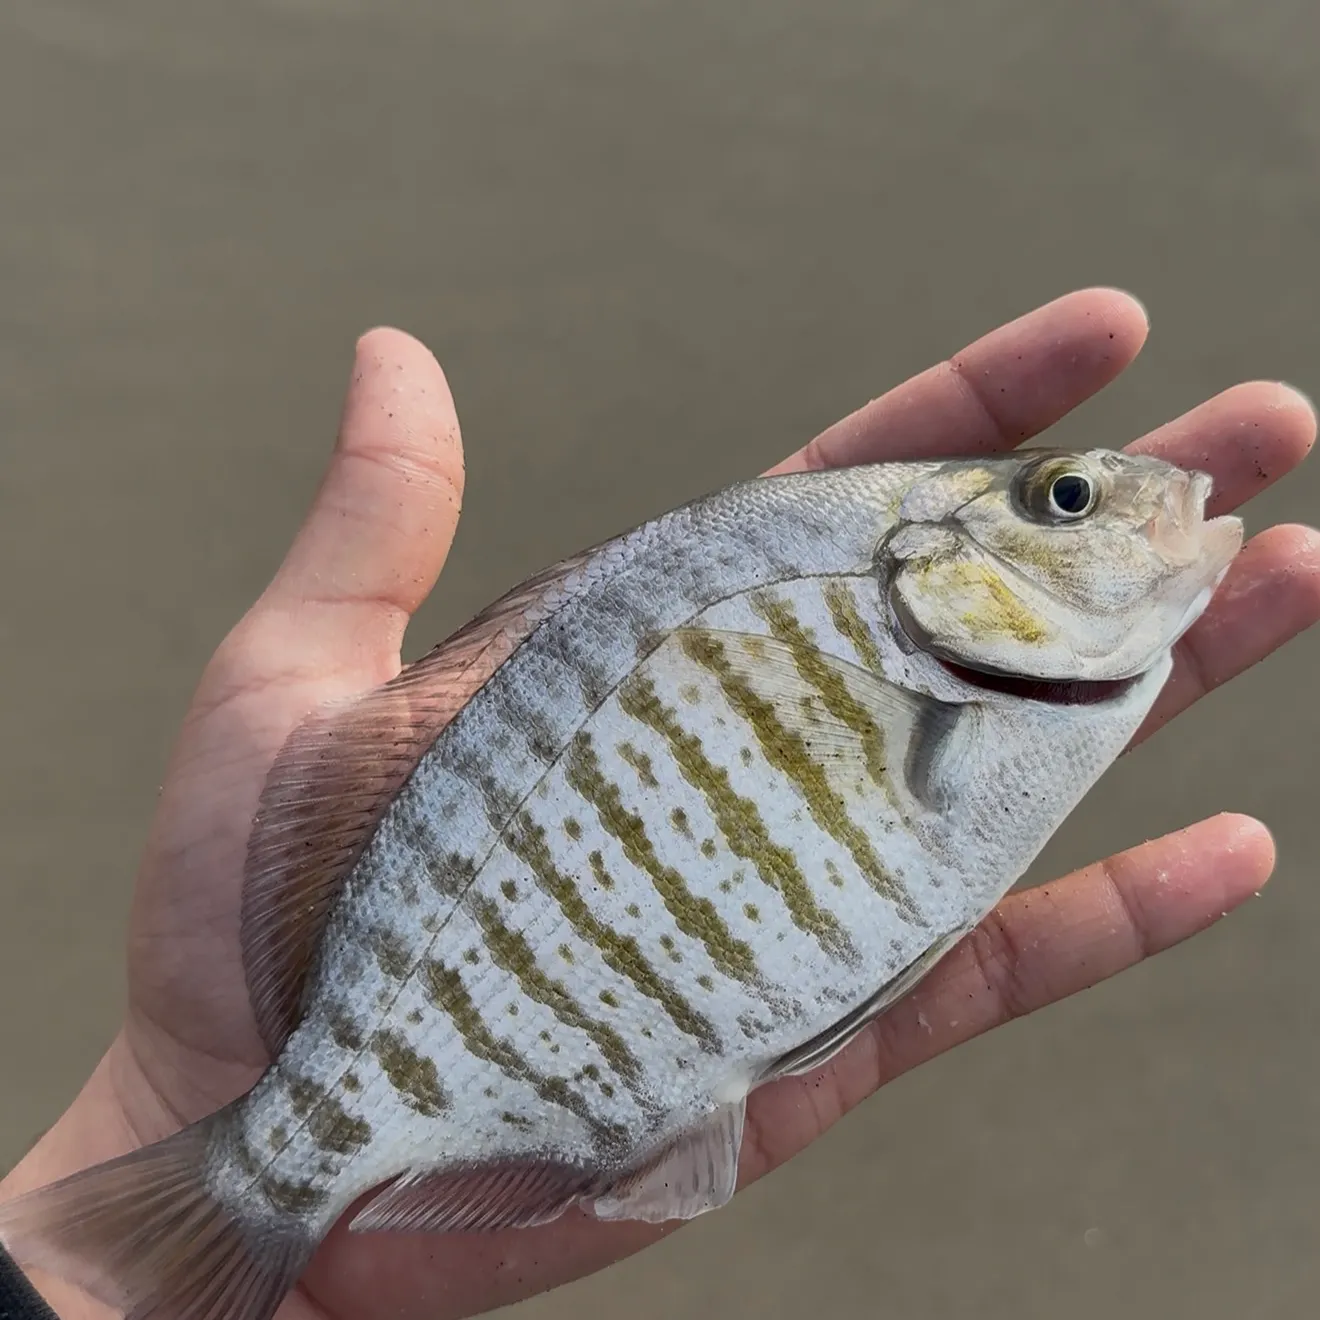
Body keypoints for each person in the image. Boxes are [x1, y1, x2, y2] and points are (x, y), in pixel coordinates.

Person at [1, 288, 1317, 1320]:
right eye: (1065, 501)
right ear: (931, 570)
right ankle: (255, 1181)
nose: (1131, 511)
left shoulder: (961, 656)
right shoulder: (902, 609)